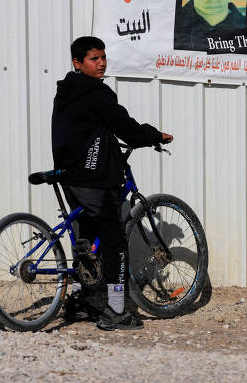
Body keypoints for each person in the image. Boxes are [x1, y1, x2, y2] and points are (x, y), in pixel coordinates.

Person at [51, 36, 173, 330]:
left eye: (103, 57)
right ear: (77, 63)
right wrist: (154, 135)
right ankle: (116, 311)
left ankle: (84, 297)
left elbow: (85, 129)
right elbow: (126, 128)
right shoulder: (96, 93)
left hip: (69, 175)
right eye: (94, 59)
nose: (102, 63)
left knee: (89, 238)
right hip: (94, 179)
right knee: (114, 241)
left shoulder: (66, 91)